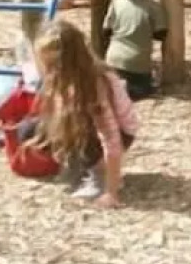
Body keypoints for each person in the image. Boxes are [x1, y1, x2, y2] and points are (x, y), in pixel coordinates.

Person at [22, 18, 137, 206]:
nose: (47, 71)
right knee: (28, 131)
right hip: (91, 126)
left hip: (120, 133)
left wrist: (111, 191)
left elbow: (111, 137)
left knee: (75, 126)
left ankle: (101, 175)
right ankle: (82, 163)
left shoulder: (94, 86)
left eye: (51, 66)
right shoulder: (66, 78)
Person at [101, 0, 169, 100]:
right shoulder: (153, 7)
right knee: (143, 87)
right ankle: (131, 90)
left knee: (114, 82)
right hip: (137, 64)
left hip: (113, 60)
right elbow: (161, 34)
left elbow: (106, 30)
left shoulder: (116, 4)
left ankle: (116, 88)